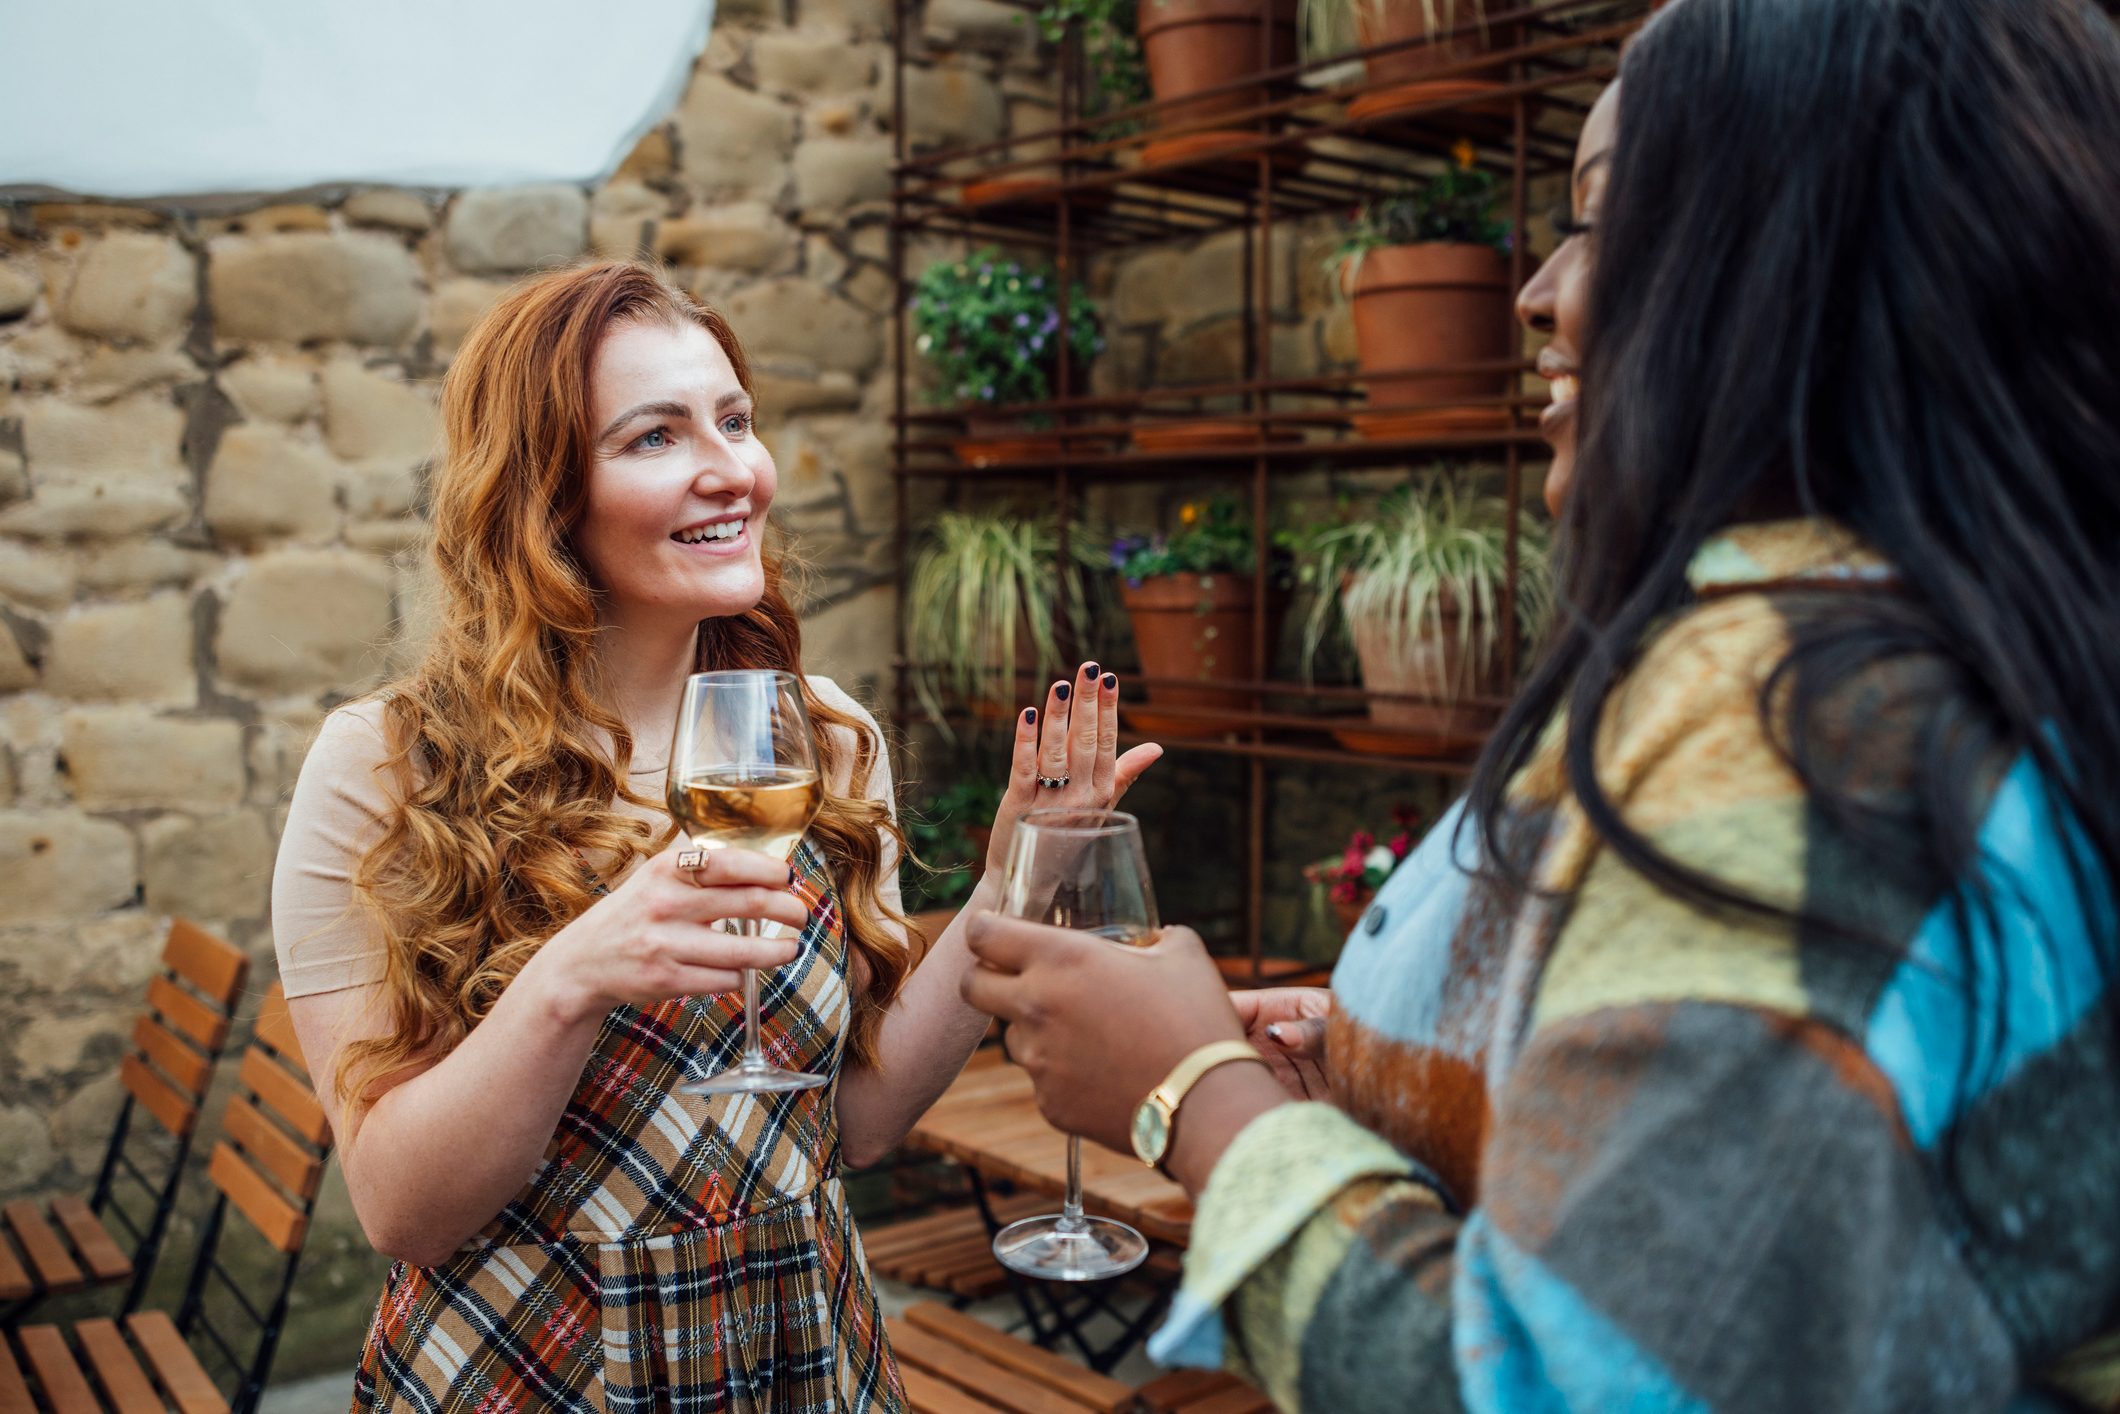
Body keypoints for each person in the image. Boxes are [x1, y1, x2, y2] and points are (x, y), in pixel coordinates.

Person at [960, 0, 2120, 1407]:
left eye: (1598, 218)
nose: (1537, 290)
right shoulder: (1953, 651)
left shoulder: (1811, 720)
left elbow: (1572, 1383)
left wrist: (1193, 1090)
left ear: (1807, 259)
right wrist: (1395, 1059)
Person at [271, 260, 1160, 1412]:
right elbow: (399, 1206)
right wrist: (571, 980)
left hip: (796, 1347)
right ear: (542, 497)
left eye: (733, 420)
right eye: (655, 436)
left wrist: (1005, 878)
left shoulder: (820, 737)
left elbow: (851, 1122)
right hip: (533, 1367)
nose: (730, 469)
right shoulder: (384, 766)